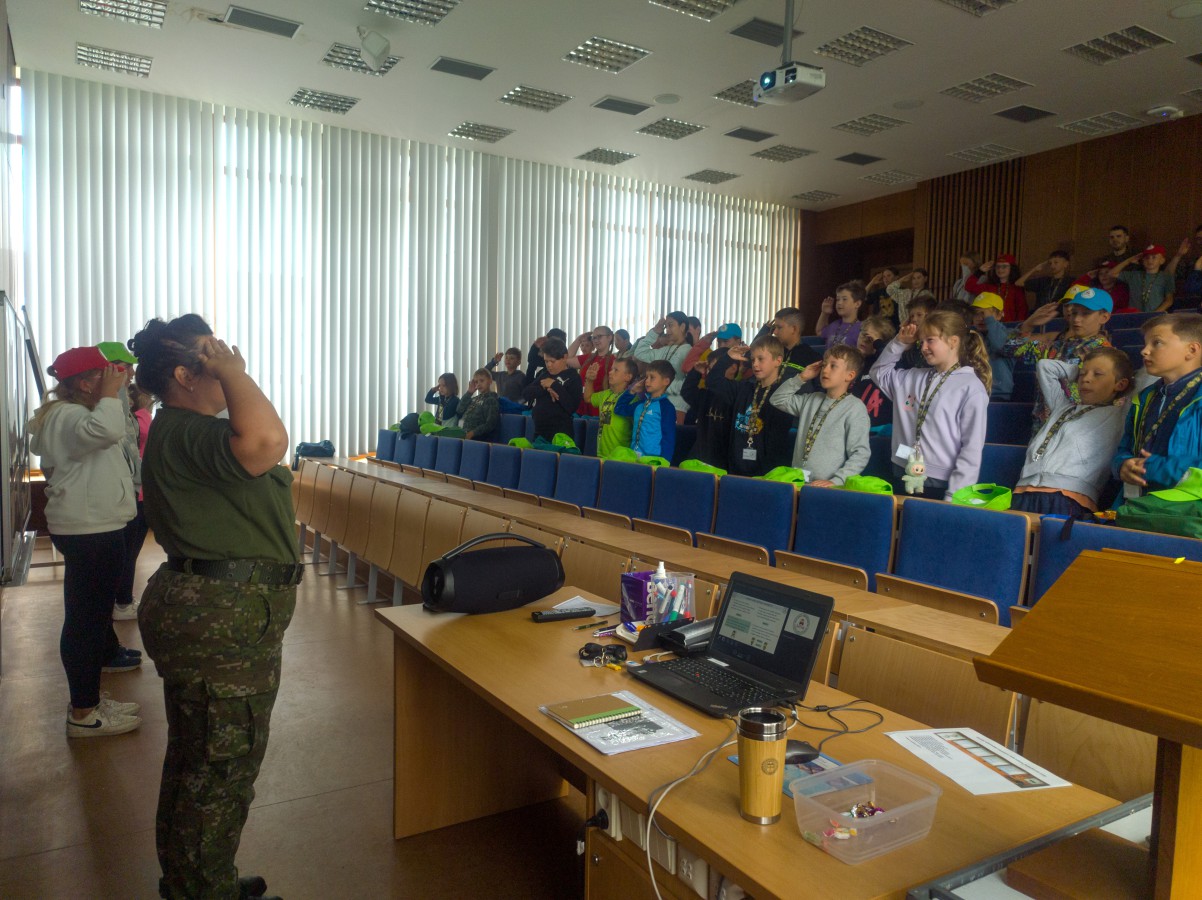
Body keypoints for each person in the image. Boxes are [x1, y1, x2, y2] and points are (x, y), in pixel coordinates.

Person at [130, 313, 300, 900]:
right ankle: (204, 891)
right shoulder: (188, 430)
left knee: (197, 758)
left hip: (214, 612)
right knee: (221, 767)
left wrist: (227, 373)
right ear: (185, 375)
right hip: (221, 618)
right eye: (213, 353)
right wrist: (235, 373)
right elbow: (268, 442)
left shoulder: (192, 431)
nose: (230, 356)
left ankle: (196, 880)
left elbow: (255, 444)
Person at [29, 345, 141, 737]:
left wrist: (111, 393)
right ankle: (84, 713)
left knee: (90, 618)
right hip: (89, 530)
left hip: (93, 527)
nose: (117, 380)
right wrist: (110, 394)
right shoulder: (68, 415)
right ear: (84, 383)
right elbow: (108, 430)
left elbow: (114, 428)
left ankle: (88, 698)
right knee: (86, 622)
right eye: (104, 375)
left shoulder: (76, 414)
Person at [870, 311, 991, 500]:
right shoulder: (911, 376)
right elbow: (878, 373)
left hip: (940, 482)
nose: (923, 347)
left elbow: (971, 448)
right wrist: (899, 342)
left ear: (953, 341)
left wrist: (955, 494)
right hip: (902, 470)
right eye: (921, 342)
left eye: (930, 340)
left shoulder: (971, 387)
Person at [1011, 350, 1132, 517]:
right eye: (1083, 374)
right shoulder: (1061, 406)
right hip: (1024, 490)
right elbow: (1045, 366)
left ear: (1120, 384)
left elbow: (1145, 382)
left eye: (1097, 374)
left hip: (1069, 497)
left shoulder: (1120, 416)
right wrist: (1078, 372)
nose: (1086, 379)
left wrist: (1126, 382)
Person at [1113, 313, 1202, 499]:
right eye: (1145, 344)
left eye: (1157, 343)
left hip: (1186, 510)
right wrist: (1122, 465)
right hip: (1136, 504)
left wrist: (1150, 467)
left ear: (1192, 350)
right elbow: (1125, 448)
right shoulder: (1144, 398)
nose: (1144, 351)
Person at [1005, 287, 1114, 429]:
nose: (1076, 319)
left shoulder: (1106, 356)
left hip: (1077, 428)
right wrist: (1028, 324)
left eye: (1086, 314)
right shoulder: (1056, 346)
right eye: (1074, 313)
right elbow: (1010, 349)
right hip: (1043, 427)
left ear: (1104, 317)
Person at [770, 344, 871, 486]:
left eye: (833, 366)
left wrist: (836, 481)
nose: (825, 370)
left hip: (828, 487)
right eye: (824, 365)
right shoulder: (811, 399)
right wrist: (801, 377)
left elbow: (860, 453)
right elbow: (777, 400)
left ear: (850, 375)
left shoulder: (855, 408)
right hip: (798, 482)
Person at [702, 336, 792, 476]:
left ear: (778, 361)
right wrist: (727, 358)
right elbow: (713, 382)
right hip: (735, 470)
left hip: (765, 475)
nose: (755, 364)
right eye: (753, 359)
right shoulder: (744, 388)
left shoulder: (783, 396)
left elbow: (777, 445)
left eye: (761, 359)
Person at [113, 381, 155, 620]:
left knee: (128, 552)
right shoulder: (140, 419)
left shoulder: (137, 419)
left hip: (137, 491)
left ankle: (121, 599)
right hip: (137, 492)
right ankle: (123, 602)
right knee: (129, 553)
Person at [631, 312, 692, 423]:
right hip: (657, 402)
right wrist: (655, 331)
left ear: (682, 327)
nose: (667, 330)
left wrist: (663, 386)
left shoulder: (688, 350)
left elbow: (689, 383)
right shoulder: (664, 350)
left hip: (676, 405)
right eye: (666, 326)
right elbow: (640, 352)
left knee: (669, 433)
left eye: (671, 325)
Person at [615, 359, 677, 461]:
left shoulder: (666, 408)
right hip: (634, 457)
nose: (647, 381)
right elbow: (619, 409)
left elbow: (668, 438)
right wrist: (632, 391)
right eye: (646, 377)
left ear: (666, 381)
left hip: (652, 460)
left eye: (652, 377)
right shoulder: (640, 404)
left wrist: (663, 462)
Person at [523, 337, 582, 441]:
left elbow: (571, 406)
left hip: (561, 434)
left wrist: (554, 385)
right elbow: (526, 393)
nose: (549, 365)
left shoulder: (574, 377)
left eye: (552, 361)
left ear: (564, 357)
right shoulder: (545, 374)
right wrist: (545, 389)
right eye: (546, 361)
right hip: (540, 431)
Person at [854, 316, 896, 433]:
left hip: (879, 428)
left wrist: (878, 345)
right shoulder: (850, 361)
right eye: (863, 335)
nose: (864, 341)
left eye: (870, 340)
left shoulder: (886, 366)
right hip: (854, 426)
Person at [589, 358, 637, 458]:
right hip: (601, 454)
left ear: (628, 377)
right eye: (611, 369)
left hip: (621, 457)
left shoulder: (633, 399)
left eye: (616, 370)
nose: (610, 372)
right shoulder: (605, 394)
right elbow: (588, 398)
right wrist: (589, 380)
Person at [970, 292, 1014, 401]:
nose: (980, 318)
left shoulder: (1009, 334)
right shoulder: (972, 337)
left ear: (999, 315)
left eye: (984, 314)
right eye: (976, 314)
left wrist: (990, 321)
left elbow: (1000, 345)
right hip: (974, 393)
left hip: (998, 394)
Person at [1112, 244, 1175, 313]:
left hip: (1156, 315)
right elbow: (1112, 273)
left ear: (1162, 260)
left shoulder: (1166, 277)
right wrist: (1129, 261)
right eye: (1147, 257)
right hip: (1134, 315)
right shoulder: (1134, 275)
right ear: (1142, 260)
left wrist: (1155, 313)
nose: (1150, 260)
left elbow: (1169, 300)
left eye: (1154, 257)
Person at [569, 326, 615, 416]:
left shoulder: (614, 361)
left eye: (599, 336)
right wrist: (579, 339)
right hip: (581, 407)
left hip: (598, 409)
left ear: (609, 337)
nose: (596, 340)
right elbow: (566, 358)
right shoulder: (588, 358)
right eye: (594, 338)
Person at [965, 254, 1027, 322]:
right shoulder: (989, 286)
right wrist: (980, 271)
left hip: (1010, 326)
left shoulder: (1016, 288)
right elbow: (969, 286)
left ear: (1012, 268)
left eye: (1004, 266)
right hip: (990, 324)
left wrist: (1018, 326)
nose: (1000, 269)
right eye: (998, 266)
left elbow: (1022, 310)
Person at [448, 369, 500, 440]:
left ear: (490, 381)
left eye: (482, 381)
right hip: (463, 432)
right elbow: (459, 410)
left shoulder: (491, 400)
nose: (478, 384)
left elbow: (490, 424)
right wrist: (469, 392)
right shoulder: (474, 399)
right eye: (476, 382)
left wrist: (472, 433)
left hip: (477, 437)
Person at [769, 307, 822, 375]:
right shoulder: (772, 353)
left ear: (793, 329)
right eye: (775, 327)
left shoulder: (811, 358)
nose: (775, 332)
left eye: (779, 327)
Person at [815, 281, 865, 349]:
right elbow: (819, 332)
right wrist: (825, 313)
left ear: (857, 304)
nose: (839, 303)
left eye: (844, 299)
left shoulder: (862, 328)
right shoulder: (835, 324)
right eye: (838, 299)